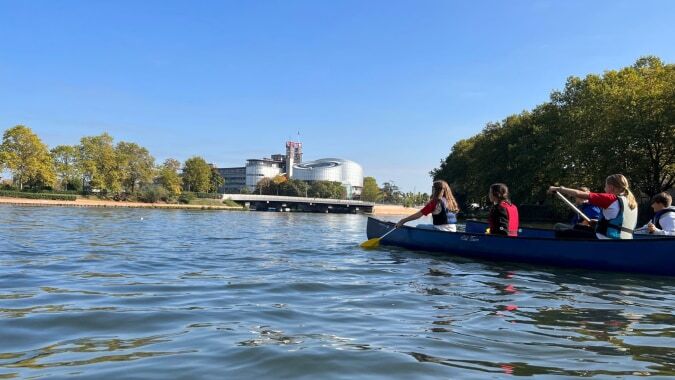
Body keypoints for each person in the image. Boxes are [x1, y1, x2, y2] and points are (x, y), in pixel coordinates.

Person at [548, 174, 638, 239]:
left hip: (605, 239)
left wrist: (558, 189)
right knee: (578, 227)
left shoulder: (611, 198)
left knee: (559, 229)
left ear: (611, 187)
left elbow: (579, 194)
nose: (604, 189)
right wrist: (597, 222)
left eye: (605, 186)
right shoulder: (632, 202)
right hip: (625, 240)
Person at [395, 180, 459, 232]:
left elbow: (418, 215)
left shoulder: (435, 202)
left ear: (435, 190)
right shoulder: (451, 202)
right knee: (428, 225)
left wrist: (402, 221)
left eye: (433, 188)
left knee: (419, 226)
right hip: (453, 230)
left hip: (440, 230)